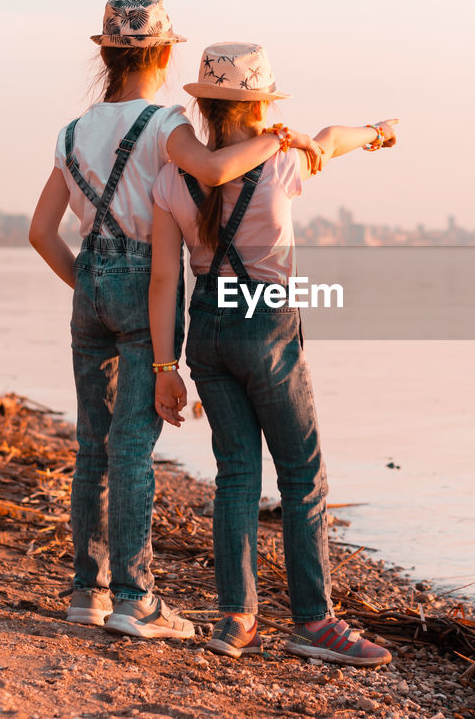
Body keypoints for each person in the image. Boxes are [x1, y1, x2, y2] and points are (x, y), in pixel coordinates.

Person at [29, 0, 324, 639]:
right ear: (164, 54)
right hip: (147, 284)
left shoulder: (71, 132)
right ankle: (135, 598)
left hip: (90, 289)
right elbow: (217, 170)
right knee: (131, 447)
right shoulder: (166, 124)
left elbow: (40, 232)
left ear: (106, 54)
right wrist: (280, 137)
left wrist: (89, 282)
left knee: (91, 446)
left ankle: (87, 591)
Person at [148, 41, 397, 666]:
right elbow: (334, 137)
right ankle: (314, 623)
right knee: (302, 477)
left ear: (204, 107)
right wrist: (377, 133)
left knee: (236, 473)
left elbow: (162, 282)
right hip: (265, 321)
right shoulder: (283, 158)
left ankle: (236, 619)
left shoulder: (169, 176)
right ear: (259, 105)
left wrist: (164, 367)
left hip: (205, 327)